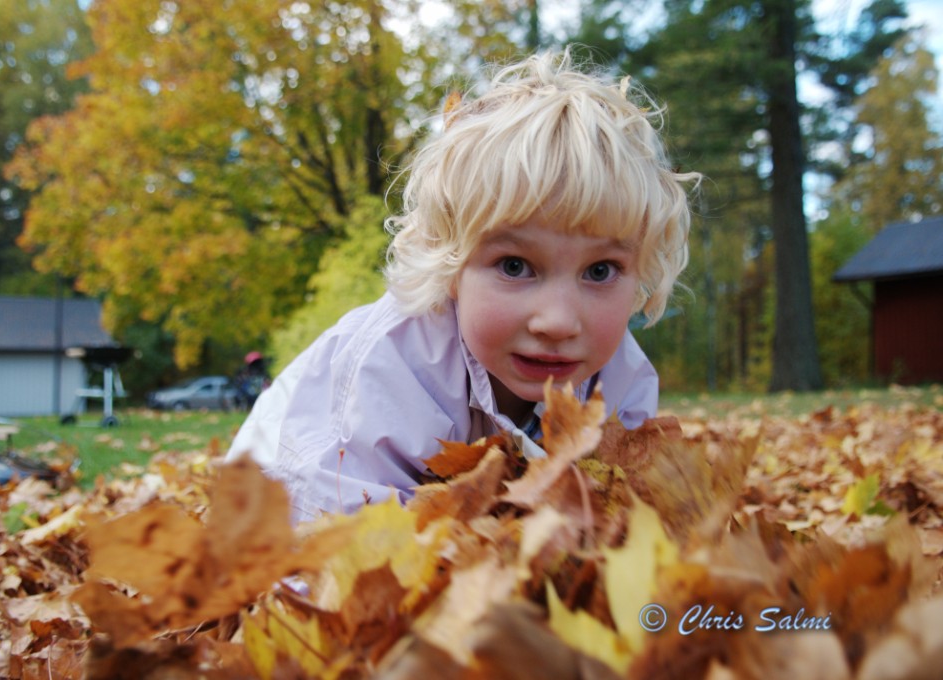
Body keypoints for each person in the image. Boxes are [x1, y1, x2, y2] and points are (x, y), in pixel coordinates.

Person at [227, 50, 699, 523]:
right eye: (515, 265)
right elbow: (349, 545)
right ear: (451, 265)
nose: (557, 320)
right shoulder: (396, 366)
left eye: (599, 271)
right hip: (280, 495)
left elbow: (622, 509)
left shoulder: (622, 378)